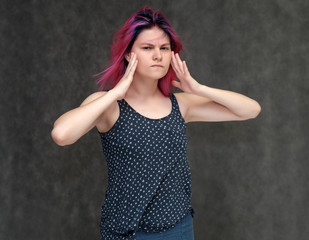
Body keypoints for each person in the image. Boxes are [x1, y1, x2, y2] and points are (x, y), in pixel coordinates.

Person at [51, 6, 261, 240]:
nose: (157, 56)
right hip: (127, 233)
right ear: (130, 54)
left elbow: (251, 110)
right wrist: (115, 93)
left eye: (164, 48)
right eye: (147, 48)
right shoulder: (107, 105)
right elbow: (61, 134)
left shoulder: (181, 105)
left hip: (178, 228)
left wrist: (199, 88)